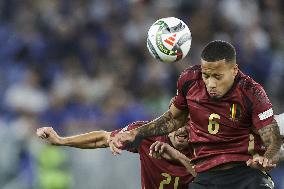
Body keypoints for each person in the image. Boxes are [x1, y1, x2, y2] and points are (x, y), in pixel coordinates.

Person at [109, 40, 282, 189]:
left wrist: (266, 159)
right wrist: (135, 133)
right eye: (206, 75)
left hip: (245, 174)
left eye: (217, 76)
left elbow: (273, 140)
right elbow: (173, 119)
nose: (211, 84)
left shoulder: (252, 92)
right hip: (206, 177)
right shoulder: (190, 81)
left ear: (234, 70)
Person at [37, 121, 196, 189]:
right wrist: (61, 141)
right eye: (178, 122)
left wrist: (178, 156)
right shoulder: (146, 134)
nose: (181, 129)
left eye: (187, 122)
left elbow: (213, 180)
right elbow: (102, 138)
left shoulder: (205, 144)